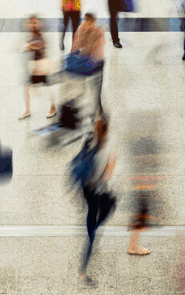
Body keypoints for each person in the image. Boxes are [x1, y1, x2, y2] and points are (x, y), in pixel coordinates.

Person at [75, 112, 117, 289]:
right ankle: (83, 273)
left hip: (85, 188)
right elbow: (107, 176)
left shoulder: (88, 141)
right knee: (108, 207)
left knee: (91, 213)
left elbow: (78, 160)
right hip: (97, 191)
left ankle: (92, 228)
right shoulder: (109, 149)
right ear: (107, 131)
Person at [20, 15, 55, 120]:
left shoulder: (41, 35)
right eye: (31, 23)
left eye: (34, 23)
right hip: (32, 65)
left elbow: (41, 47)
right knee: (26, 88)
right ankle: (27, 110)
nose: (32, 25)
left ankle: (53, 107)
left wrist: (30, 47)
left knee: (46, 87)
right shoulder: (30, 35)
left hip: (41, 65)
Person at [72, 13, 106, 112]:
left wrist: (85, 49)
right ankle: (87, 107)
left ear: (94, 22)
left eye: (91, 22)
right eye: (87, 21)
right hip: (85, 61)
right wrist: (83, 32)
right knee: (82, 87)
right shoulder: (81, 29)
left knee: (97, 89)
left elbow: (97, 50)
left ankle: (99, 108)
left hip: (98, 63)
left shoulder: (99, 31)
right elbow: (76, 45)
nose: (88, 24)